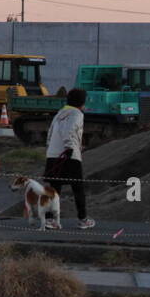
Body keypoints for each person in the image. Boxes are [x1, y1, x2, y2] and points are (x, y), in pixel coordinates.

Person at [44, 88, 95, 229]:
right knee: (78, 188)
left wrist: (50, 148)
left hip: (53, 154)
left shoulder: (60, 113)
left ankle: (49, 220)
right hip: (69, 155)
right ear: (81, 102)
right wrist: (69, 147)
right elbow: (69, 130)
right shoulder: (77, 113)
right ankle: (83, 219)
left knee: (54, 188)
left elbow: (50, 133)